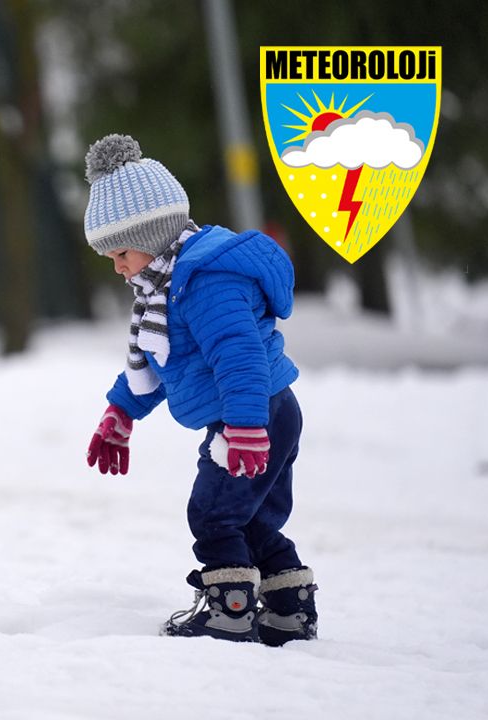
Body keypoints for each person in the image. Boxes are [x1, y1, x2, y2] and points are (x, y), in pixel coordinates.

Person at [80, 134, 317, 646]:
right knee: (248, 519)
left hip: (255, 413)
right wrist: (121, 412)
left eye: (121, 252)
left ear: (155, 232)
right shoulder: (166, 287)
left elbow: (240, 357)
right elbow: (169, 362)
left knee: (212, 514)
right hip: (259, 413)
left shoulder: (205, 281)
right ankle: (288, 607)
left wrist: (247, 426)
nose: (118, 267)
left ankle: (229, 612)